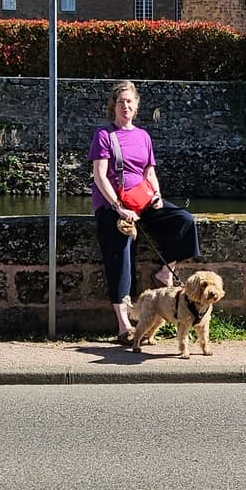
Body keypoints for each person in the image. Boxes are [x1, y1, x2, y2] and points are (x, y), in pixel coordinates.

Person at [89, 80, 202, 341]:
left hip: (143, 202)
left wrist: (158, 195)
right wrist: (118, 208)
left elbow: (149, 172)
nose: (125, 106)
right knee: (120, 257)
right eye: (120, 102)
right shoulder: (105, 135)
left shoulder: (143, 136)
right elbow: (100, 176)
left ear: (136, 106)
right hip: (113, 208)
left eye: (129, 102)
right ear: (113, 106)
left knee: (184, 220)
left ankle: (165, 272)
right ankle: (124, 326)